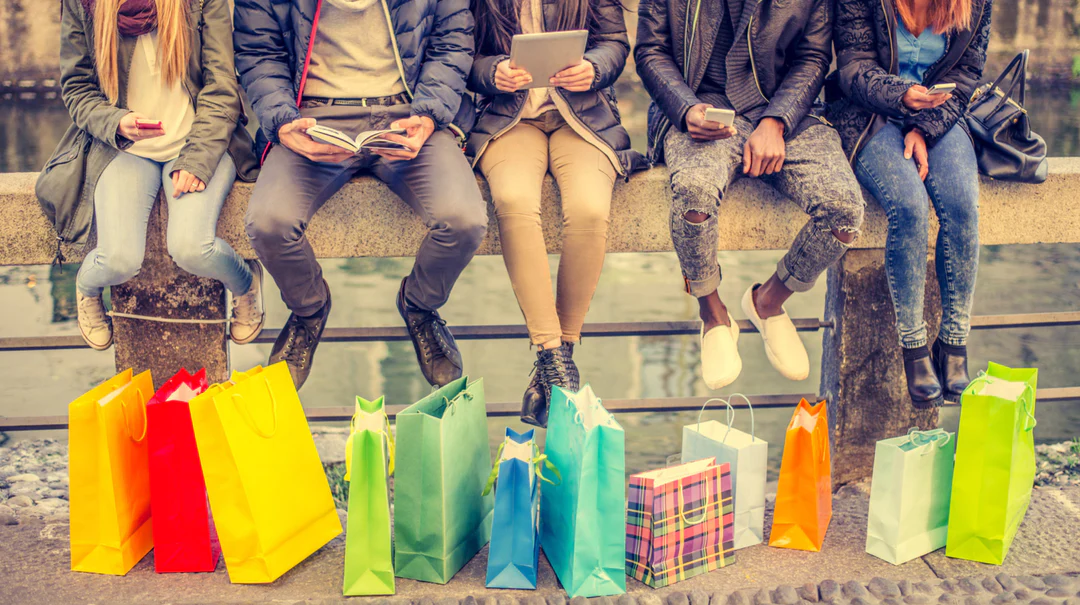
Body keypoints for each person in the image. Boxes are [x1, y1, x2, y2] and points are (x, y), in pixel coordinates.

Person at [234, 0, 487, 390]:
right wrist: (283, 121)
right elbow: (258, 51)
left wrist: (429, 114)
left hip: (407, 114)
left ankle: (420, 306)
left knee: (464, 221)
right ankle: (309, 310)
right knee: (269, 223)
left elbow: (452, 40)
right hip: (311, 117)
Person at [635, 0, 865, 389]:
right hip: (698, 112)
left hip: (784, 112)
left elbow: (812, 58)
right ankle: (712, 313)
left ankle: (768, 302)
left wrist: (777, 120)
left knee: (844, 212)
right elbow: (650, 50)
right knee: (694, 197)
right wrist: (686, 109)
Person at [465, 0, 645, 427]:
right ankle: (554, 356)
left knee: (588, 209)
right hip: (508, 119)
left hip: (581, 117)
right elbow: (459, 54)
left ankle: (555, 361)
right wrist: (493, 73)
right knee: (512, 201)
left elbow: (615, 45)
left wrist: (593, 69)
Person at [53, 0, 264, 351]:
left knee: (192, 248)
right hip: (124, 149)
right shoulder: (82, 4)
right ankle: (88, 289)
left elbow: (222, 85)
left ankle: (245, 284)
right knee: (117, 259)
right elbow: (76, 88)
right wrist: (115, 122)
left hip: (201, 141)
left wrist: (197, 159)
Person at [830, 0, 991, 406]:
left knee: (962, 206)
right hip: (869, 114)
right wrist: (903, 97)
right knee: (910, 207)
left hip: (939, 116)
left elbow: (967, 73)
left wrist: (923, 128)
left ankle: (954, 342)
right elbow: (852, 68)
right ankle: (914, 345)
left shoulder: (977, 3)